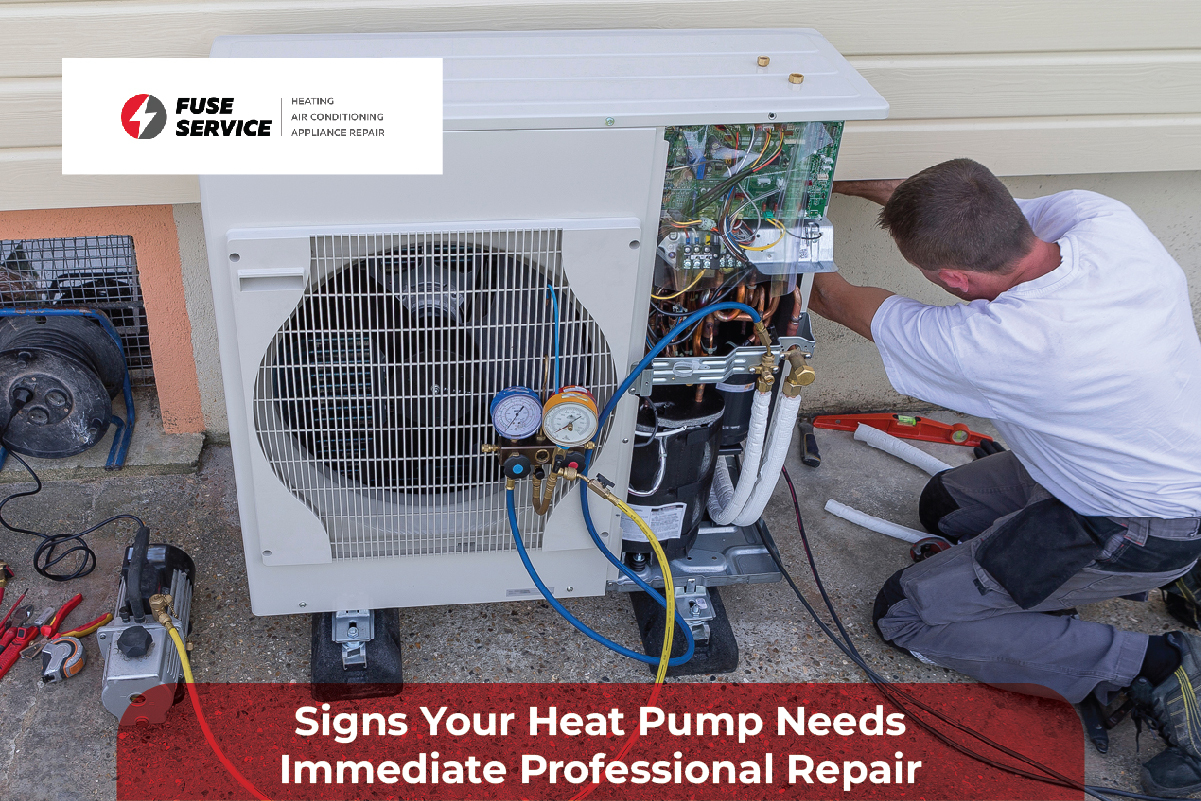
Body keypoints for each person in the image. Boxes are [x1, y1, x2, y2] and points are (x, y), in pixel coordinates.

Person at [808, 158, 1201, 796]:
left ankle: (1157, 666)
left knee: (910, 615)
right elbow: (919, 198)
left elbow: (830, 297)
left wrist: (779, 224)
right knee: (947, 507)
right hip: (1138, 467)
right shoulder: (1105, 222)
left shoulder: (1005, 342)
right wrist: (810, 178)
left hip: (1134, 525)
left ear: (953, 279)